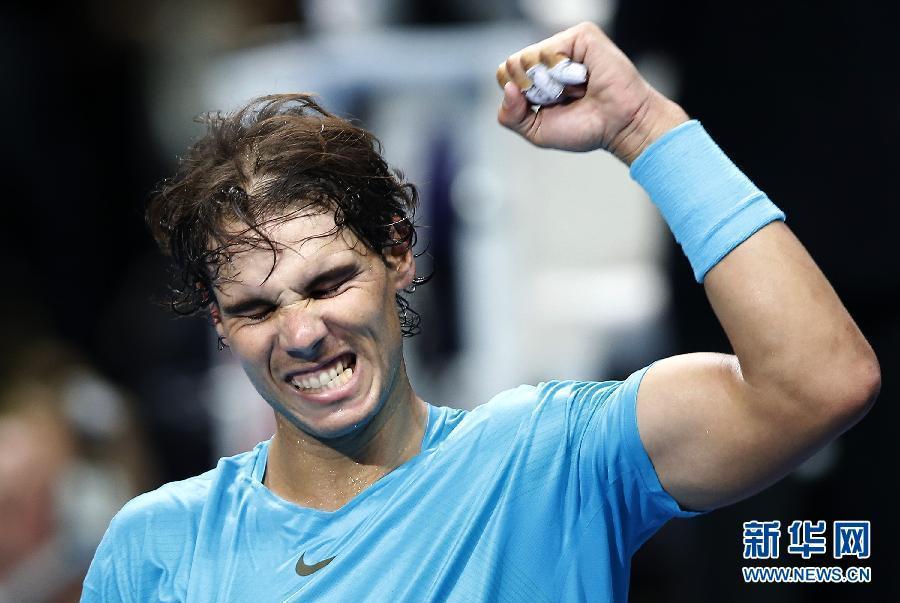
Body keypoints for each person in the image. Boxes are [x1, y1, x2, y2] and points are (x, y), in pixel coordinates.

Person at [81, 22, 879, 602]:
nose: (299, 333)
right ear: (218, 325)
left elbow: (819, 381)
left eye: (327, 284)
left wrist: (644, 128)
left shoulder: (556, 459)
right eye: (256, 308)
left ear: (399, 254)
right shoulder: (155, 548)